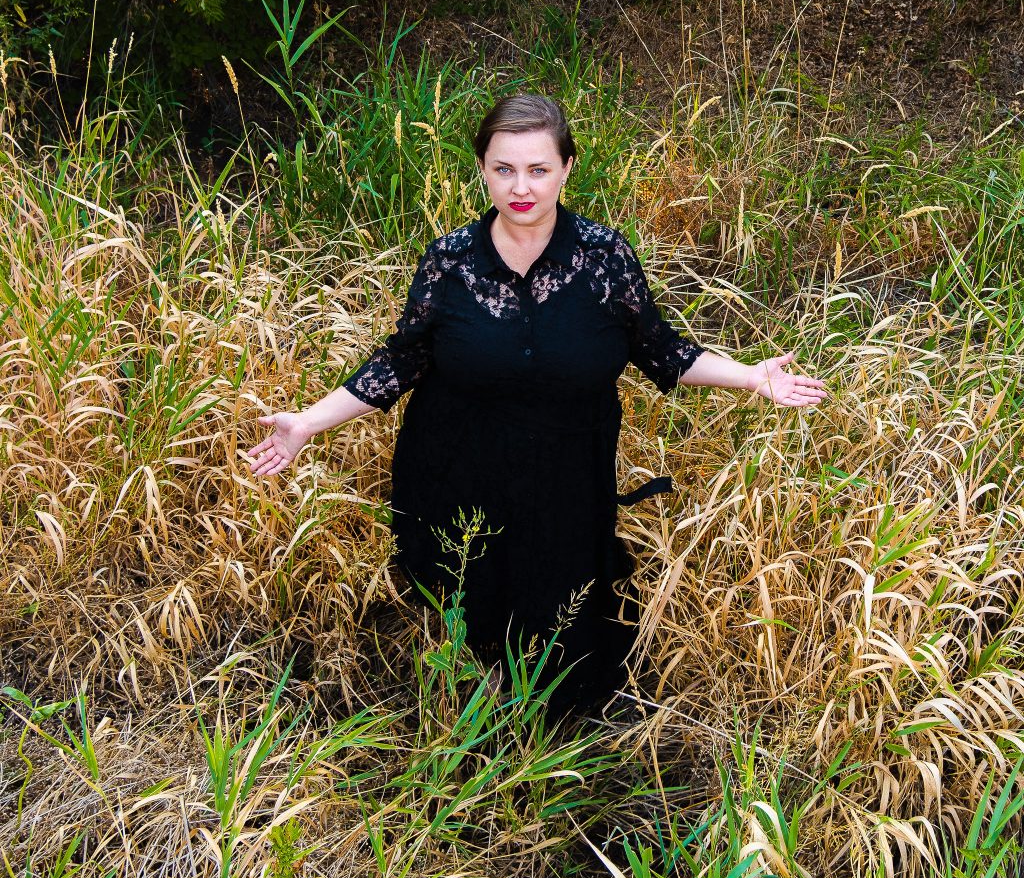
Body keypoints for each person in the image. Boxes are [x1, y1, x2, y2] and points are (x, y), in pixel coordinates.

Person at [246, 94, 827, 716]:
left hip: (566, 472)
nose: (521, 187)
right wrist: (306, 422)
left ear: (567, 169)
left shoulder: (604, 257)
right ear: (482, 170)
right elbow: (402, 360)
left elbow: (657, 349)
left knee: (565, 603)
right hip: (458, 468)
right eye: (504, 169)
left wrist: (752, 377)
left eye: (538, 169)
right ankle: (475, 714)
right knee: (472, 597)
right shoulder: (450, 261)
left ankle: (557, 730)